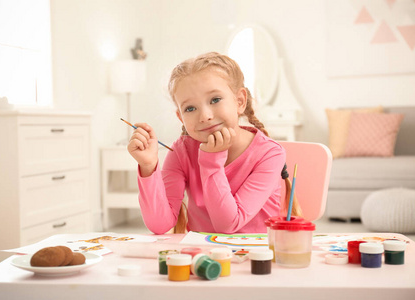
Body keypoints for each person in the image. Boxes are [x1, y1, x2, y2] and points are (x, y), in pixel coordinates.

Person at [127, 52, 301, 234]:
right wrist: (148, 166)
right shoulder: (181, 151)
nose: (205, 116)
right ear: (181, 117)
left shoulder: (270, 154)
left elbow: (228, 224)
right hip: (204, 255)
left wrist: (211, 161)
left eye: (215, 100)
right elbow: (160, 225)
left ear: (240, 101)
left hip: (256, 256)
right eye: (190, 108)